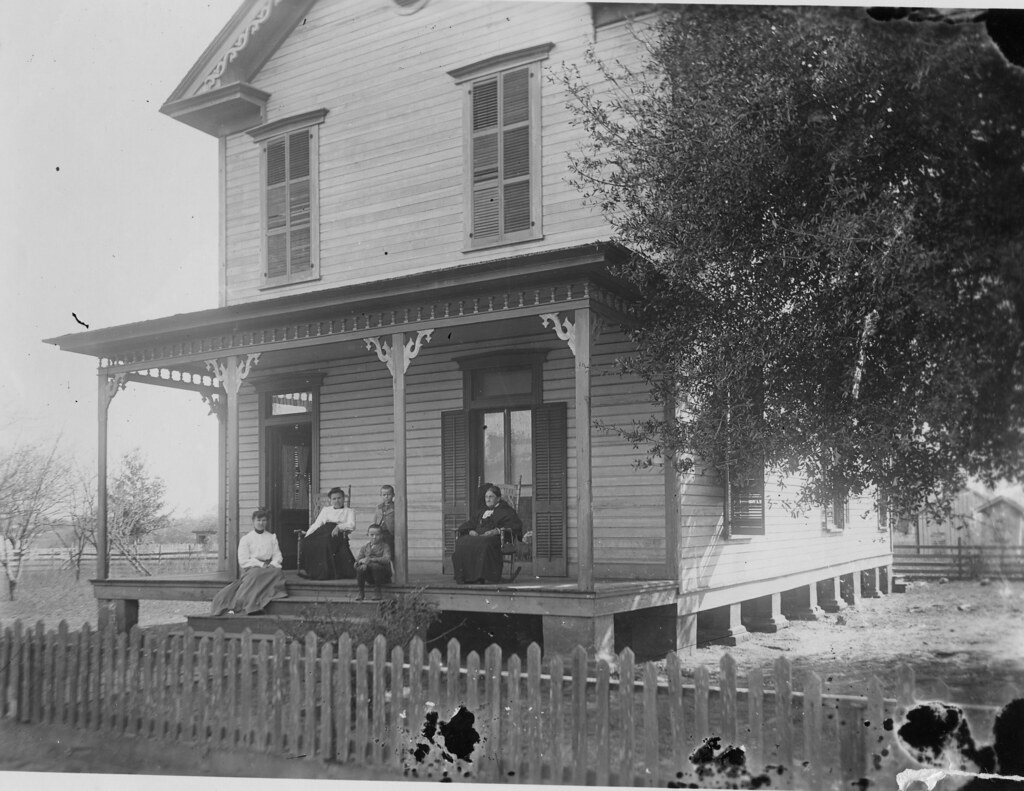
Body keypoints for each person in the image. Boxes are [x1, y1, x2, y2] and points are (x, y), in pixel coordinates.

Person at [210, 508, 288, 616]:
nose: (261, 523)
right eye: (258, 520)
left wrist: (272, 564)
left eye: (264, 520)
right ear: (253, 521)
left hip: (270, 568)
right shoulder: (246, 539)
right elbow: (243, 560)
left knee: (277, 572)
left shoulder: (271, 537)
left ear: (267, 522)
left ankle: (260, 600)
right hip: (254, 568)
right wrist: (260, 564)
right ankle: (250, 605)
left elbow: (277, 555)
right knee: (256, 575)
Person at [451, 483, 522, 584]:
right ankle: (468, 577)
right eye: (486, 497)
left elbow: (514, 525)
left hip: (496, 538)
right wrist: (471, 531)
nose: (487, 499)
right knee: (461, 542)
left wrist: (495, 531)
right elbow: (471, 523)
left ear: (498, 498)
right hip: (478, 536)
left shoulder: (506, 511)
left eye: (491, 497)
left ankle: (484, 575)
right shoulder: (482, 511)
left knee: (485, 543)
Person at [298, 486, 356, 579]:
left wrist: (339, 527)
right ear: (330, 500)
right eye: (334, 499)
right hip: (323, 530)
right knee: (307, 542)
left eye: (339, 498)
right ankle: (312, 571)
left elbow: (352, 524)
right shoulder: (326, 510)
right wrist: (308, 534)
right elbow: (317, 524)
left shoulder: (349, 511)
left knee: (324, 542)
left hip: (337, 532)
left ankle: (323, 573)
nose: (337, 501)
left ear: (343, 498)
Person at [355, 524, 393, 601]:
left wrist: (371, 560)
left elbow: (386, 559)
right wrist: (360, 563)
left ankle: (377, 591)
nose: (374, 537)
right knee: (360, 569)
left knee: (375, 566)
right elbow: (358, 560)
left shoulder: (385, 546)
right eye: (372, 535)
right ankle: (361, 592)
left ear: (381, 535)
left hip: (383, 575)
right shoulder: (364, 548)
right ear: (368, 535)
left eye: (377, 535)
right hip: (370, 576)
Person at [373, 484, 396, 558]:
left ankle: (391, 567)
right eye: (384, 495)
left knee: (390, 552)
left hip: (389, 533)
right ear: (381, 495)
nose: (386, 496)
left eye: (388, 494)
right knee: (378, 550)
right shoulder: (378, 507)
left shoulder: (395, 507)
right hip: (379, 532)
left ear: (393, 495)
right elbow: (375, 519)